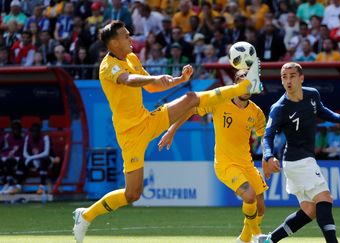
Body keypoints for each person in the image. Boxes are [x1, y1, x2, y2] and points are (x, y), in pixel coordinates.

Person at [72, 20, 262, 243]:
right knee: (132, 193)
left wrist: (179, 80)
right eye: (125, 36)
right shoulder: (108, 66)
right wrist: (153, 77)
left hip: (148, 120)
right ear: (113, 42)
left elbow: (152, 87)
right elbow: (130, 80)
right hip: (130, 134)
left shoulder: (131, 58)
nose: (130, 38)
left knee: (191, 99)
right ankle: (85, 215)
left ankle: (241, 87)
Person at [258, 62, 340, 243]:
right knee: (325, 198)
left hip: (300, 162)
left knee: (310, 210)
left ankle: (269, 240)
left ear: (301, 78)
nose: (288, 80)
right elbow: (267, 137)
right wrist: (269, 156)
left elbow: (322, 111)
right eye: (284, 77)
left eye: (292, 76)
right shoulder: (279, 108)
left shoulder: (312, 95)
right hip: (298, 161)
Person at [158, 69, 267, 243]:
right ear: (235, 85)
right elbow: (192, 108)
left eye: (250, 83)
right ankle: (257, 235)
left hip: (247, 164)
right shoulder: (220, 101)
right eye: (243, 83)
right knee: (249, 196)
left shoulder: (256, 112)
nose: (246, 88)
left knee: (260, 208)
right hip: (225, 164)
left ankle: (244, 239)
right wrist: (171, 130)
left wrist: (267, 157)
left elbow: (264, 136)